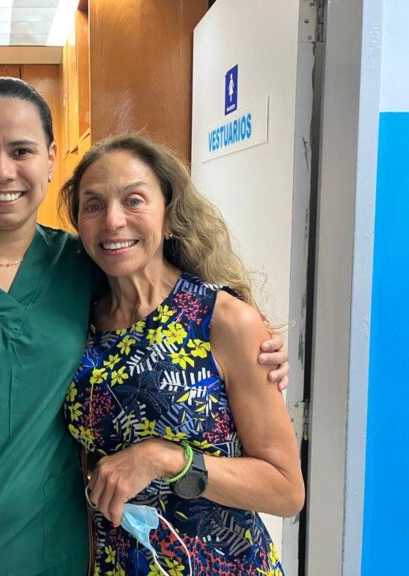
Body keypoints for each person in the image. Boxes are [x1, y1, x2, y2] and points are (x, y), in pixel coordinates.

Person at [0, 78, 290, 576]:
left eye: (21, 150)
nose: (2, 170)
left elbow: (166, 301)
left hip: (55, 553)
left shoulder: (80, 266)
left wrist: (251, 339)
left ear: (50, 158)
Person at [60, 133, 304, 576]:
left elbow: (286, 490)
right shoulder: (78, 320)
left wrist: (166, 457)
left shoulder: (222, 320)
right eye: (93, 205)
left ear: (170, 215)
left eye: (134, 200)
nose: (113, 220)